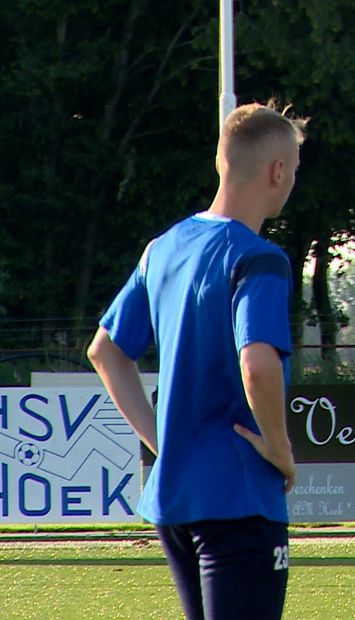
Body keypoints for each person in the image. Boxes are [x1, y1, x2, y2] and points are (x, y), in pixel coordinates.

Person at [87, 101, 306, 620]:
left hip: (176, 497)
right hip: (240, 495)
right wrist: (279, 447)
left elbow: (106, 351)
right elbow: (256, 363)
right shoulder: (259, 258)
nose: (293, 181)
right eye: (294, 170)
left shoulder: (162, 249)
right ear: (278, 172)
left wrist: (163, 443)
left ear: (219, 162)